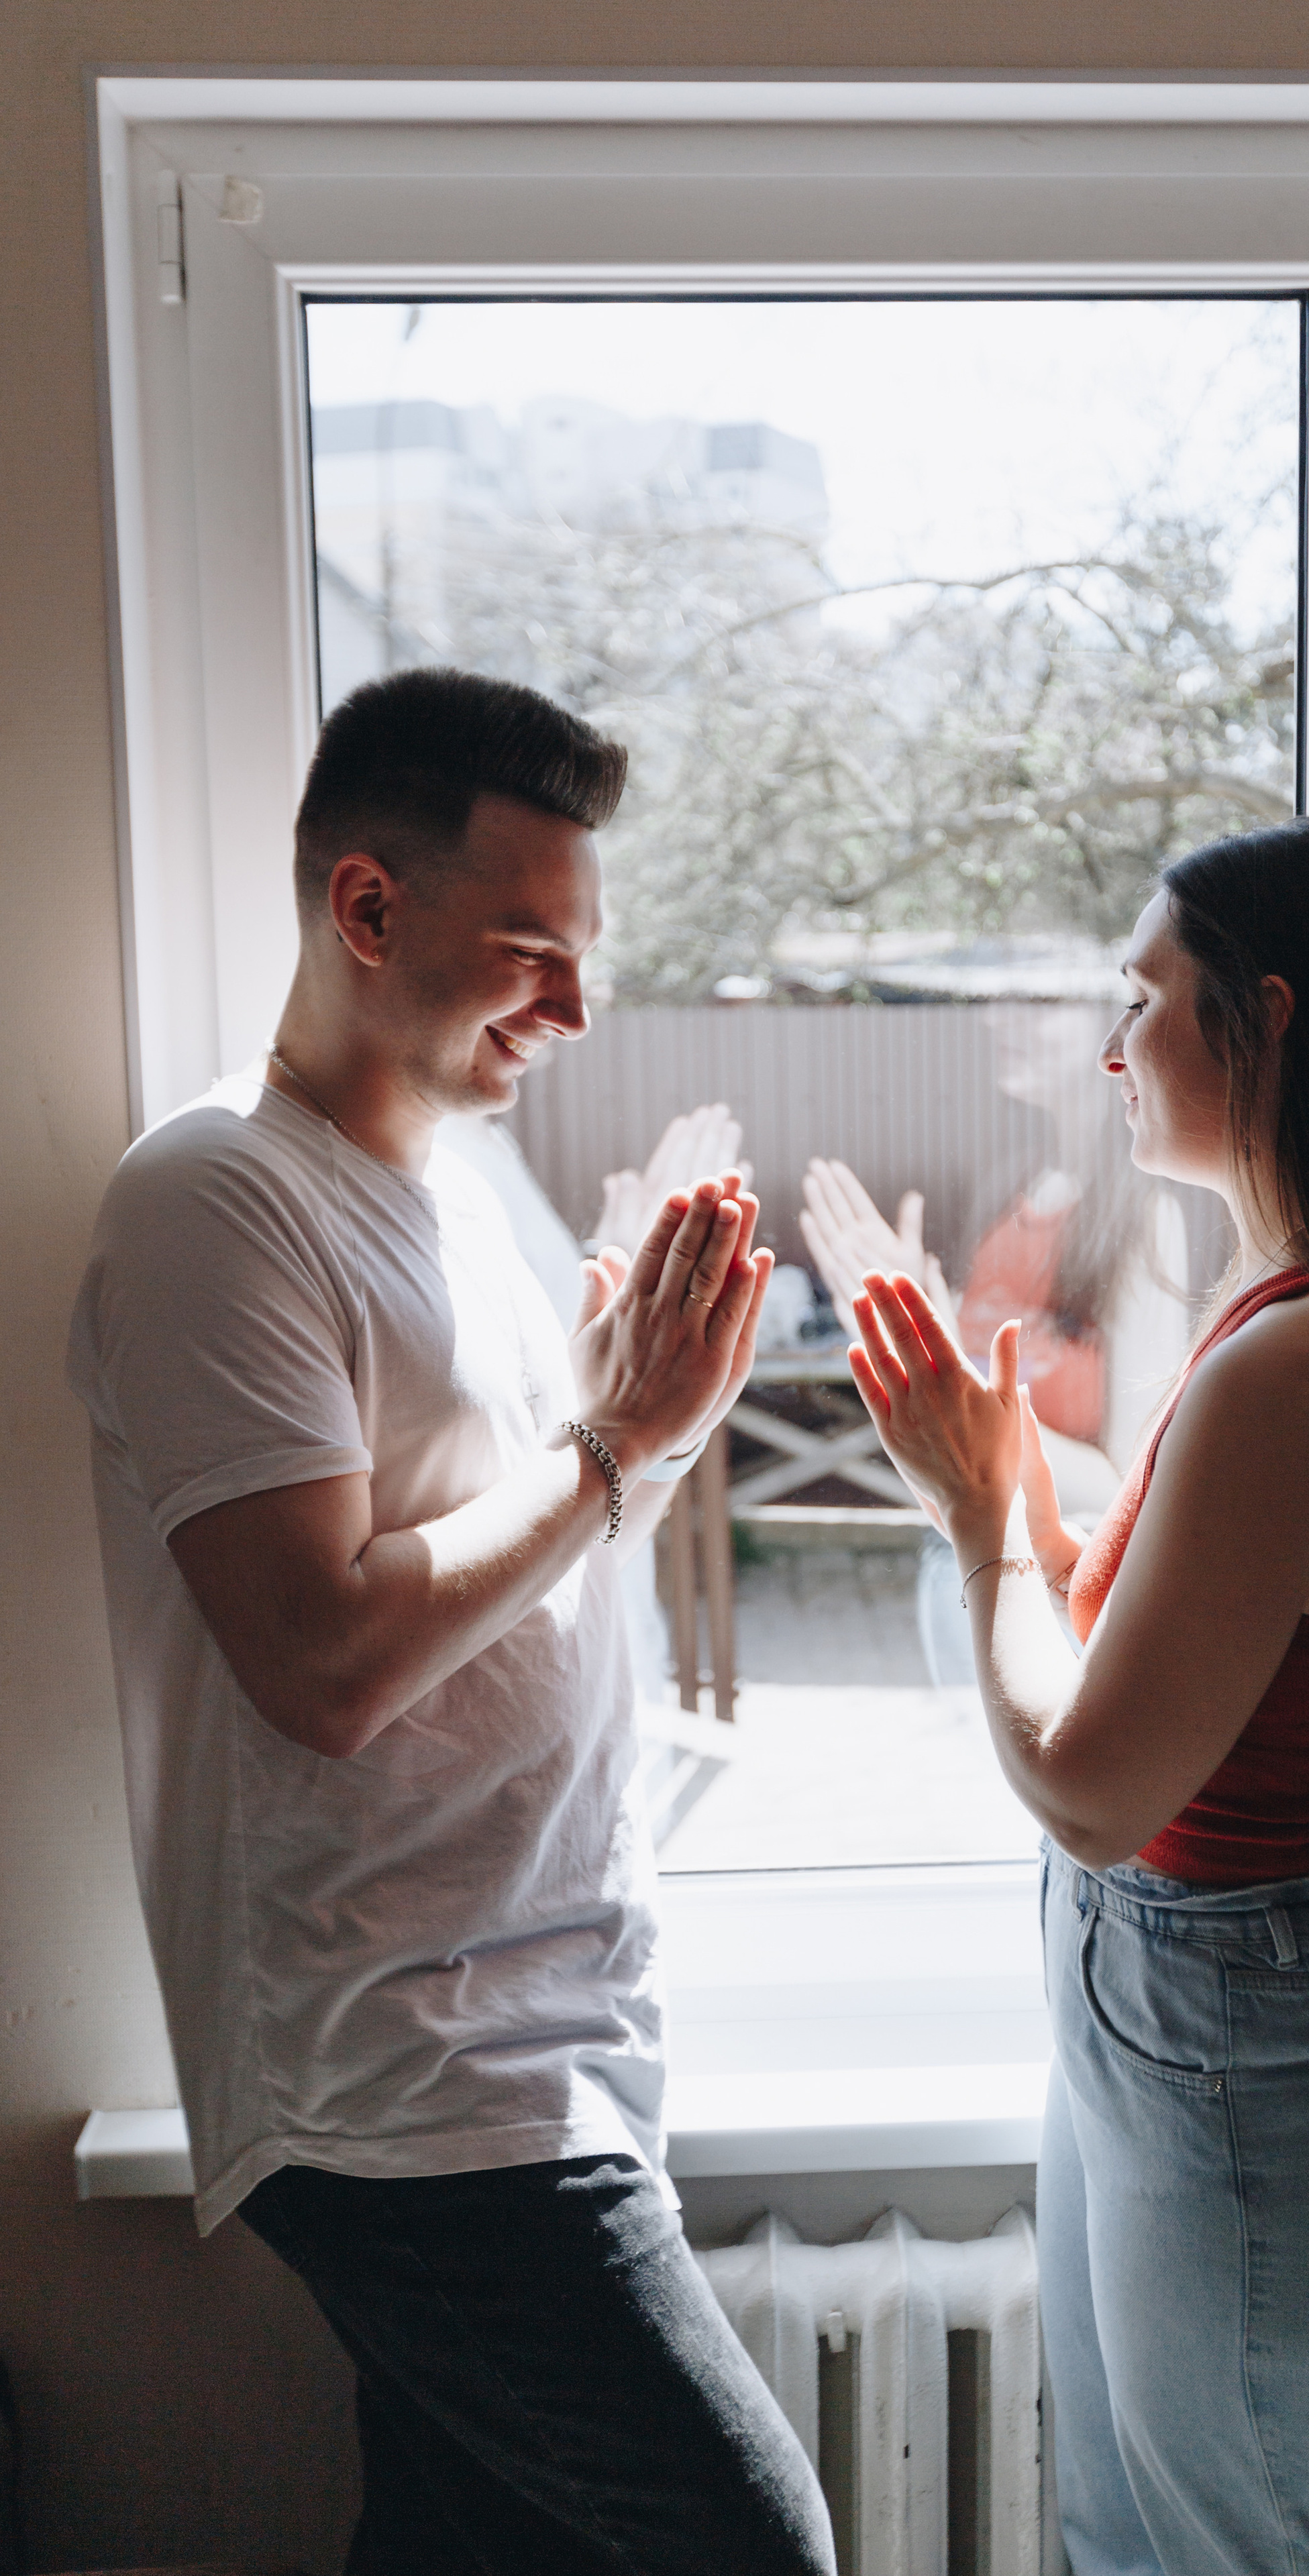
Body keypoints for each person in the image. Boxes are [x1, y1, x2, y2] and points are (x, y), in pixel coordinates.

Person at [66, 667, 834, 2576]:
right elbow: (322, 1660)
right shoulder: (216, 1202)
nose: (573, 1009)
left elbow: (530, 1547)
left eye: (583, 955)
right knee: (754, 2546)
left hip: (546, 2026)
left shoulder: (461, 1196)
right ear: (365, 907)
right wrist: (614, 1443)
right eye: (530, 952)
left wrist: (648, 1433)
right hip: (408, 2079)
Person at [842, 816, 1309, 2576]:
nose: (1109, 1045)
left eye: (1141, 1000)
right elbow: (1130, 1654)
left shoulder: (1304, 1361)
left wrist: (985, 1519)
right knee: (1136, 2539)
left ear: (1264, 1020)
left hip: (1267, 2065)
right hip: (1196, 2034)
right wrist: (1010, 1504)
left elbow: (1089, 1782)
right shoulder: (1276, 1309)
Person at [800, 1005, 1190, 1682]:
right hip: (961, 1565)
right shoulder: (1016, 1186)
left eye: (1039, 1002)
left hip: (1060, 1599)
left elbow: (1127, 1481)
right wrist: (902, 1317)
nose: (1000, 1020)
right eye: (1000, 998)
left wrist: (941, 1356)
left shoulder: (1144, 1218)